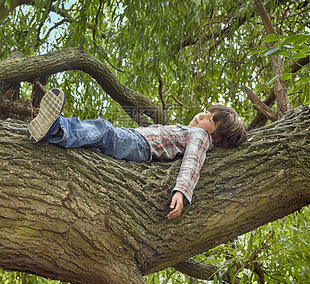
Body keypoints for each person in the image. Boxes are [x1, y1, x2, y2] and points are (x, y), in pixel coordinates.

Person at [26, 88, 247, 219]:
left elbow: (192, 163)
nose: (201, 116)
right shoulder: (195, 132)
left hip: (139, 145)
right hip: (136, 141)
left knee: (103, 130)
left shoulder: (201, 138)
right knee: (99, 137)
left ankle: (57, 128)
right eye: (207, 112)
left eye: (209, 119)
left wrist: (181, 192)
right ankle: (51, 132)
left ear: (215, 137)